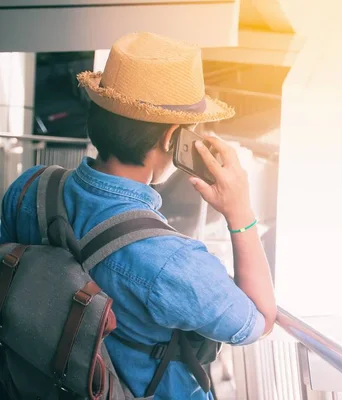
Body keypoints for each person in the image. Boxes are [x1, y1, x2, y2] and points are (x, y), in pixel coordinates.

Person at [0, 32, 277, 399]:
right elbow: (258, 321)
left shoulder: (29, 187)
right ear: (171, 139)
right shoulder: (173, 262)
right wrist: (240, 211)